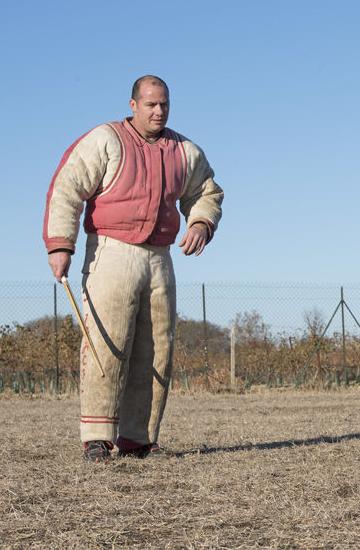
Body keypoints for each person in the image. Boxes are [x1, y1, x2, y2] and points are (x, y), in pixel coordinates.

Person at [43, 75, 224, 462]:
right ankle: (97, 438)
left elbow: (206, 191)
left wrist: (200, 223)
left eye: (164, 105)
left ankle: (139, 438)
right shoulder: (105, 139)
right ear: (133, 105)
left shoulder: (186, 151)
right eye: (150, 104)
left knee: (157, 350)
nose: (158, 111)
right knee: (106, 343)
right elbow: (67, 187)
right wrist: (60, 245)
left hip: (160, 257)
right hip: (111, 251)